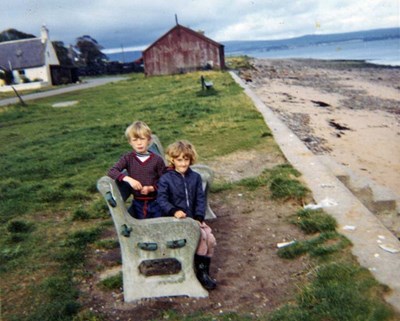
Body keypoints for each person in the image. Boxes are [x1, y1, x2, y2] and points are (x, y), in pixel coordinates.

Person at [157, 140, 217, 290]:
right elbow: (161, 199)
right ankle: (199, 274)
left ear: (191, 160)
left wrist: (198, 217)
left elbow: (200, 199)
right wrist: (174, 211)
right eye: (179, 160)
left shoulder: (195, 177)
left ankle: (204, 271)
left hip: (193, 219)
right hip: (177, 220)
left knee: (211, 239)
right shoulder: (166, 179)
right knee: (202, 238)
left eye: (186, 160)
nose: (183, 164)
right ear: (172, 160)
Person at [108, 121, 166, 219]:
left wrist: (151, 188)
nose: (139, 143)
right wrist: (129, 179)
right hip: (139, 203)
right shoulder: (128, 158)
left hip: (157, 201)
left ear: (149, 140)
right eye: (135, 140)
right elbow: (112, 171)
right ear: (130, 142)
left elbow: (165, 181)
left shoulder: (157, 160)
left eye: (142, 139)